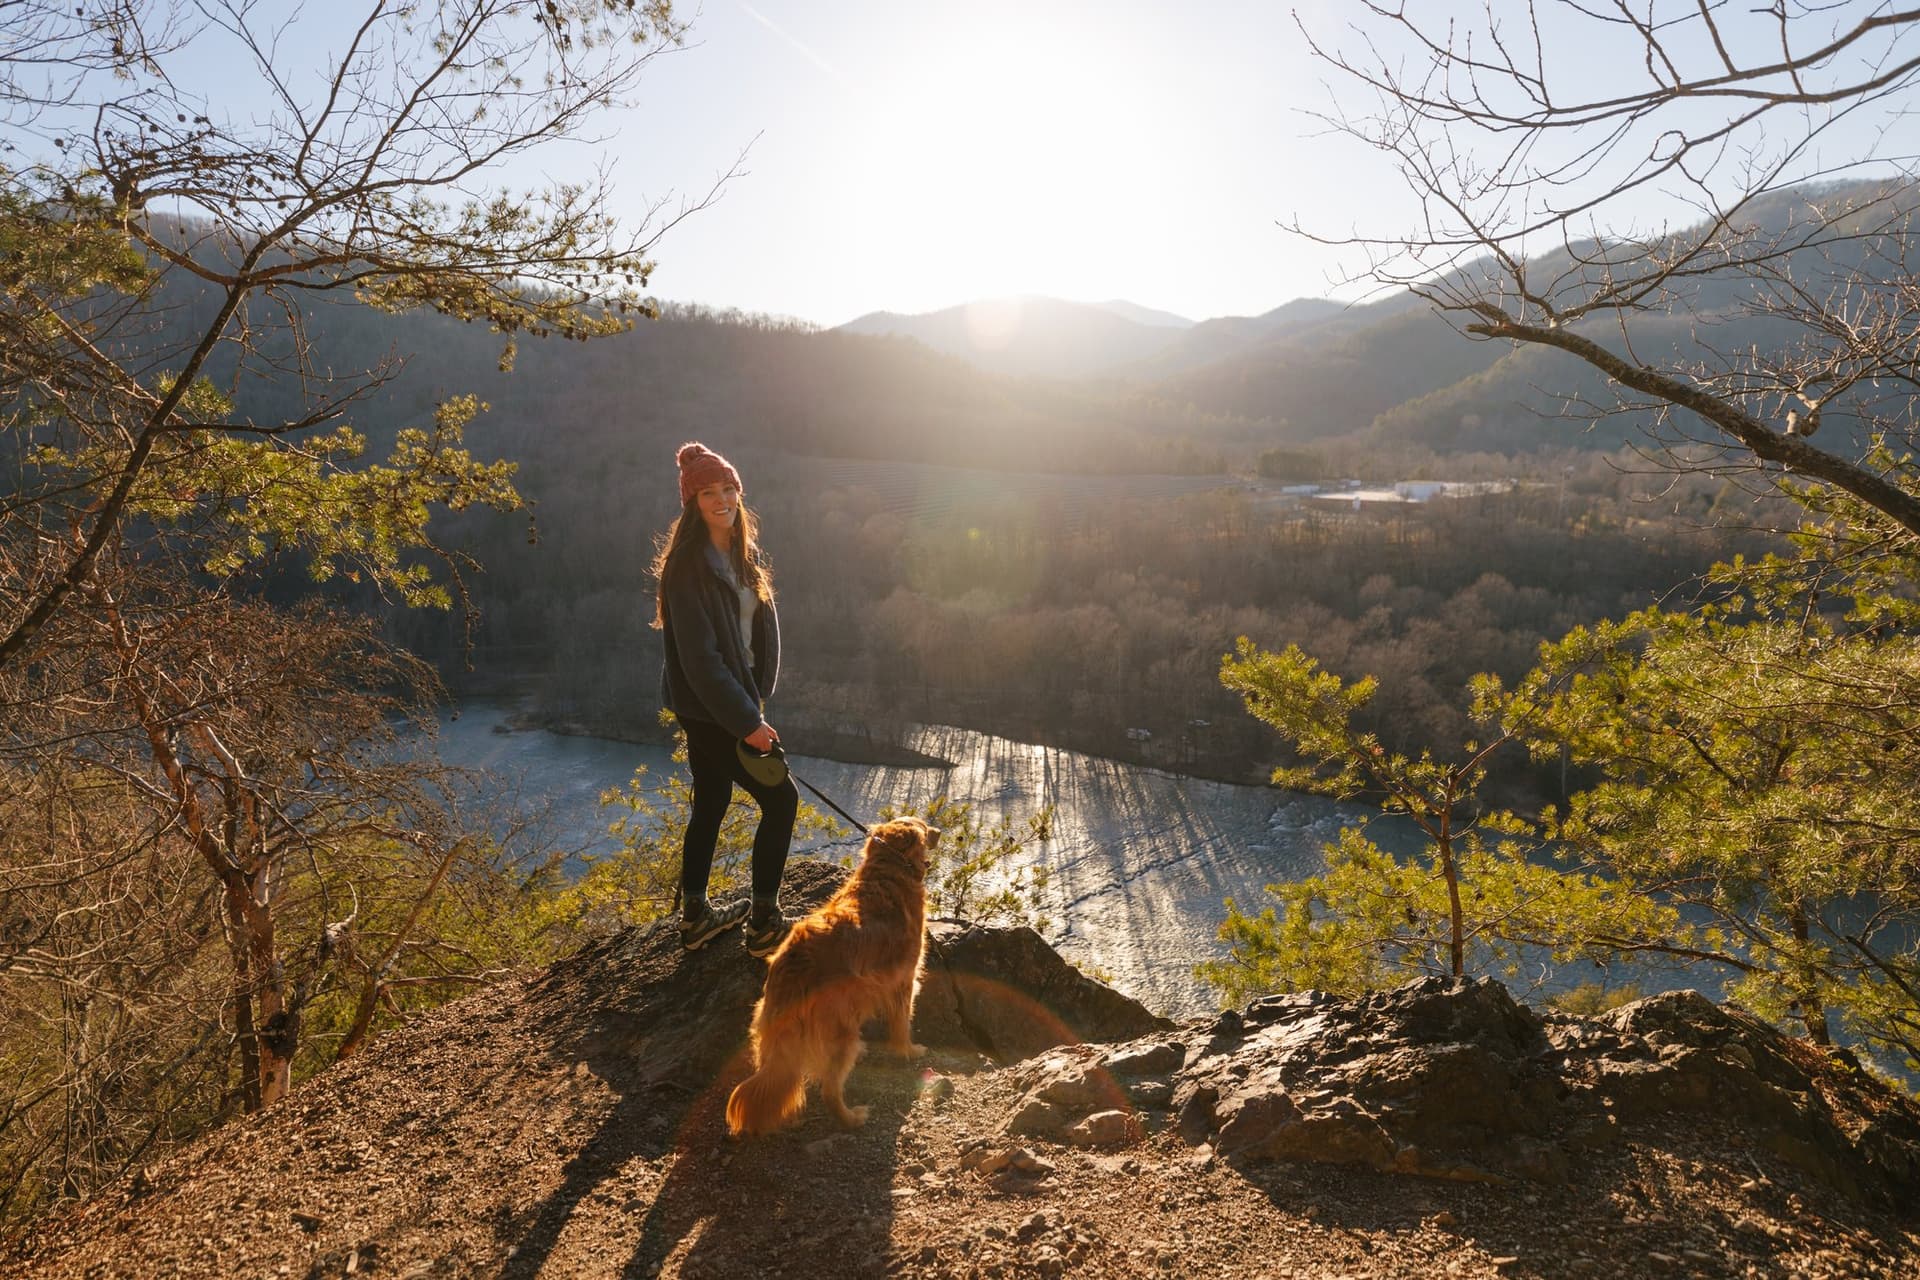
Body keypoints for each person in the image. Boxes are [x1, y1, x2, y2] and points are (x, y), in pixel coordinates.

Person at [652, 441, 798, 957]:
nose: (723, 499)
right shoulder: (687, 568)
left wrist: (757, 698)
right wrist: (747, 723)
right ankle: (763, 924)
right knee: (782, 801)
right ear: (692, 502)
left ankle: (695, 917)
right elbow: (701, 661)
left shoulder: (744, 556)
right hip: (711, 708)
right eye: (709, 492)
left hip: (735, 701)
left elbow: (757, 637)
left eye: (729, 488)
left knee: (711, 801)